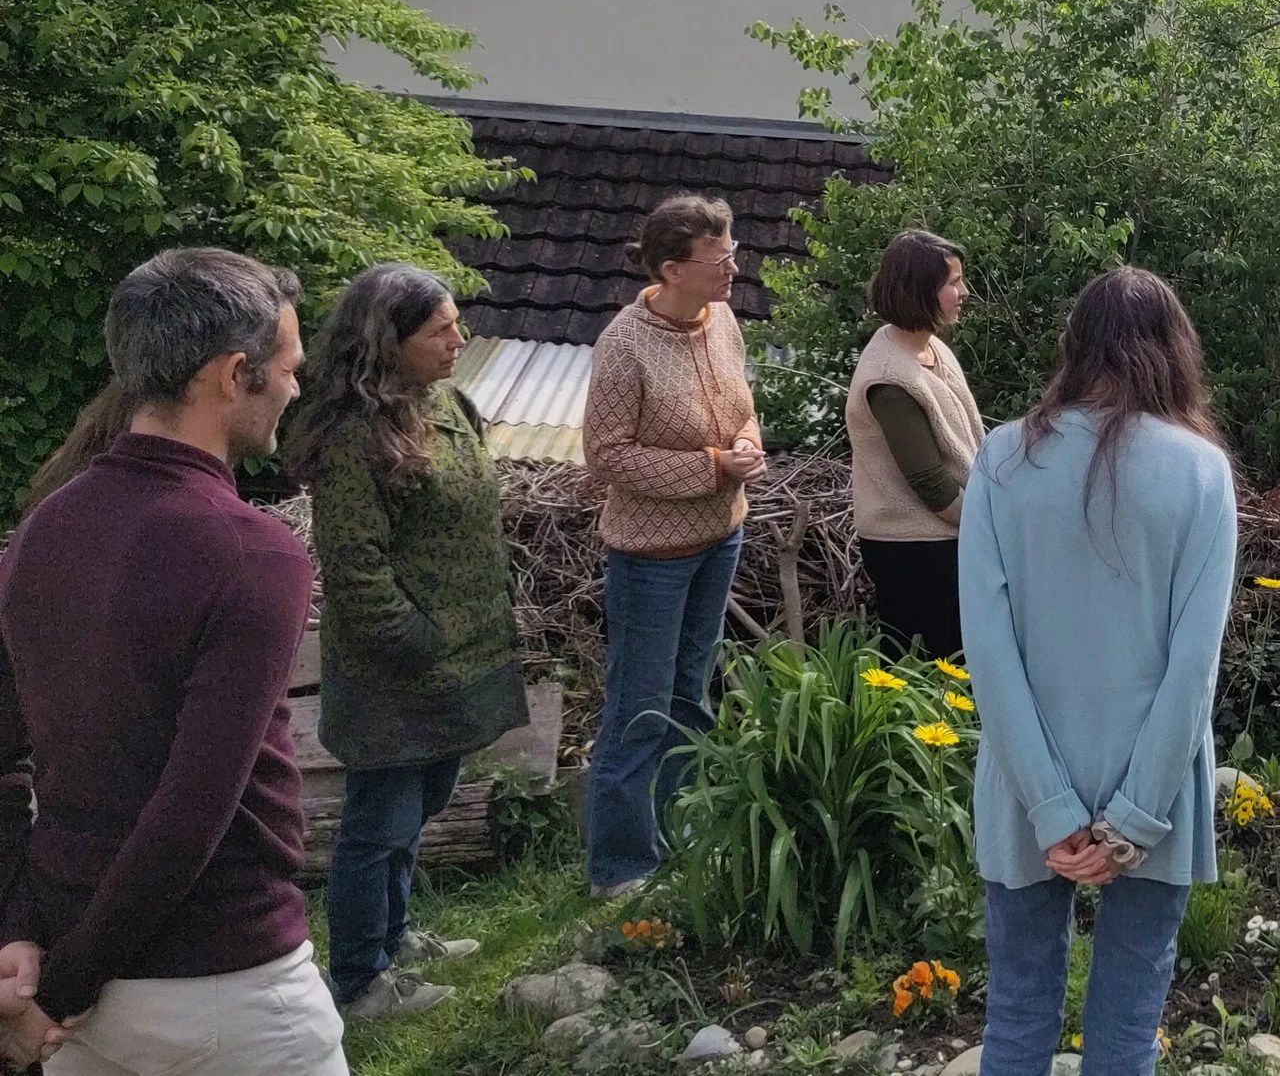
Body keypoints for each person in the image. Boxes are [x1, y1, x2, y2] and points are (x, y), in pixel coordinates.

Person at [0, 247, 345, 1075]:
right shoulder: (253, 552)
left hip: (78, 988)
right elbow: (193, 811)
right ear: (234, 375)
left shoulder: (42, 531)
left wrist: (17, 931)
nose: (296, 389)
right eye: (289, 368)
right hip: (225, 987)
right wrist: (58, 989)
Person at [959, 266, 1237, 1076]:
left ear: (1073, 346)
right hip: (1154, 788)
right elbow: (1194, 668)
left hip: (1022, 786)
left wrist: (1051, 809)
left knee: (1015, 1019)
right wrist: (1133, 822)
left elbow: (990, 654)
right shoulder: (1200, 471)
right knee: (1123, 1032)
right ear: (1175, 350)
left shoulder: (1001, 461)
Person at [284, 264, 528, 1020]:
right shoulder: (354, 436)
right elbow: (355, 564)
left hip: (459, 655)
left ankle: (393, 935)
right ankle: (359, 981)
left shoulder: (449, 405)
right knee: (378, 824)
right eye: (440, 329)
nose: (460, 338)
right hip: (399, 667)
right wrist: (414, 639)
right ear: (388, 343)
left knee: (422, 803)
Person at [581, 193, 766, 898]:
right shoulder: (625, 344)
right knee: (639, 708)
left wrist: (747, 443)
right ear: (670, 268)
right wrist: (712, 467)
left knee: (694, 696)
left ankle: (680, 841)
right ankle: (621, 867)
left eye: (732, 254)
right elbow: (605, 456)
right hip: (650, 559)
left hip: (721, 538)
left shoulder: (722, 320)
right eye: (719, 260)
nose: (732, 270)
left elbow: (742, 404)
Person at [846, 230, 983, 659]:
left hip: (948, 539)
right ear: (920, 291)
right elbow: (930, 484)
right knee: (928, 677)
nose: (963, 292)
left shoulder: (932, 348)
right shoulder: (888, 377)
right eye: (952, 283)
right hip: (913, 549)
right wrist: (991, 526)